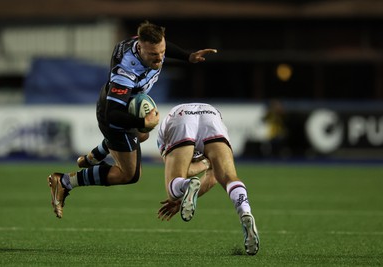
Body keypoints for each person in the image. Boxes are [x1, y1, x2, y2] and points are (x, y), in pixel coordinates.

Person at [47, 21, 217, 219]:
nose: (160, 57)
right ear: (141, 48)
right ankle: (65, 181)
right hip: (115, 115)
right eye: (154, 54)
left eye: (161, 51)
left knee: (142, 136)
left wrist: (188, 56)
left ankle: (95, 155)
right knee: (130, 174)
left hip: (126, 105)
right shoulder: (126, 71)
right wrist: (142, 122)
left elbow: (163, 46)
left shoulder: (144, 42)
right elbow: (113, 114)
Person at [156, 103, 260, 256]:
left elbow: (186, 172)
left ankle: (185, 187)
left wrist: (182, 196)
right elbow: (213, 177)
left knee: (173, 188)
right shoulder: (204, 152)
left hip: (180, 116)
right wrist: (207, 162)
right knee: (228, 176)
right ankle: (245, 210)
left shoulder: (165, 138)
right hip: (210, 113)